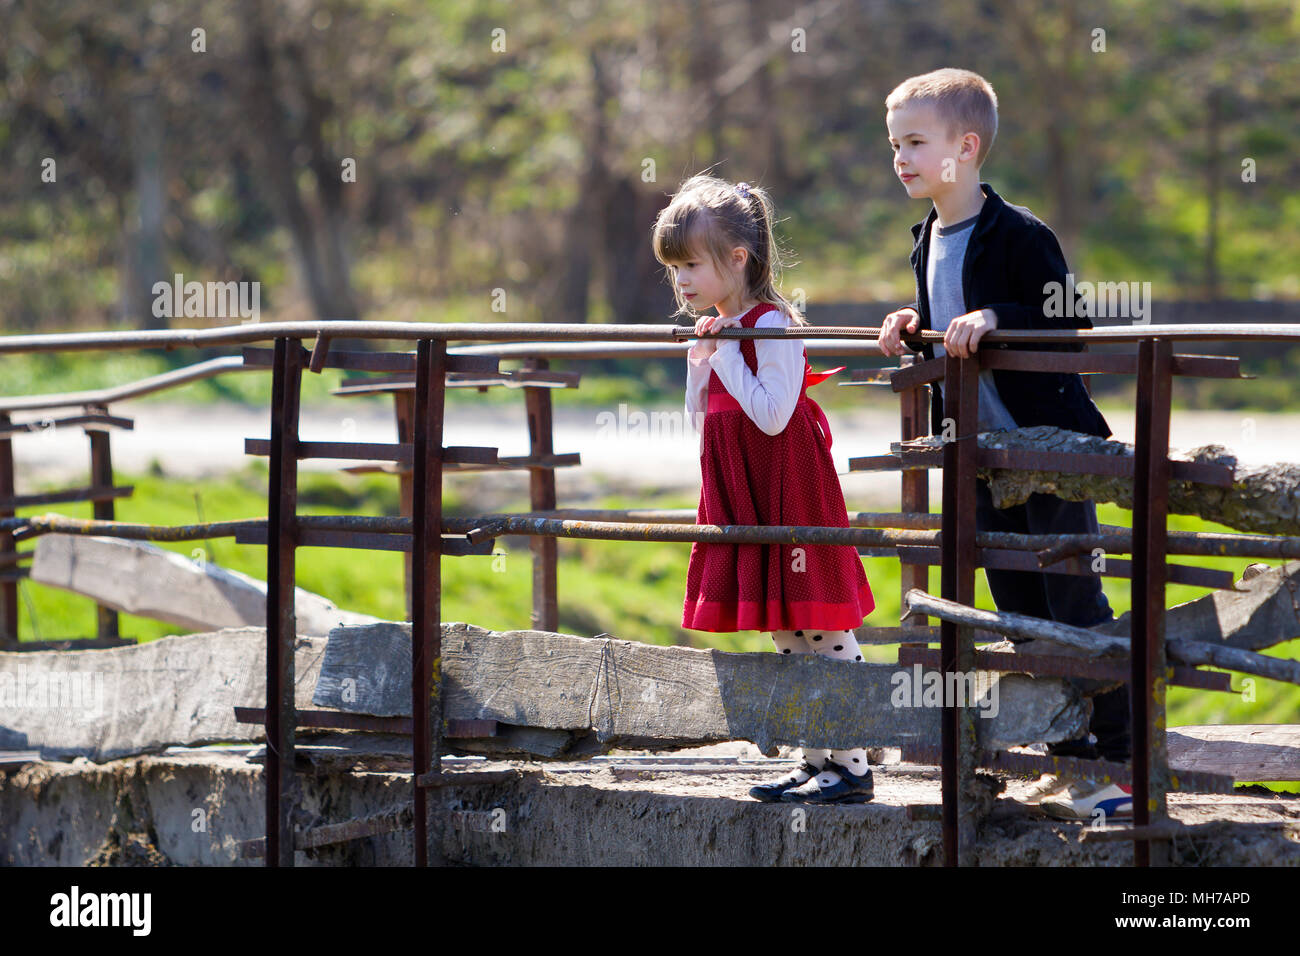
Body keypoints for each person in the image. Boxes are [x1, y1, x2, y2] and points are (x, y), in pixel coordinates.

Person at [878, 68, 1133, 821]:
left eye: (916, 142)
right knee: (1015, 605)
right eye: (894, 144)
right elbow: (941, 324)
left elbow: (1067, 318)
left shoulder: (1019, 233)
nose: (901, 157)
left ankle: (1115, 766)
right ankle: (1070, 762)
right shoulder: (926, 237)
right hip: (983, 458)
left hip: (1048, 452)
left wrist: (998, 316)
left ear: (967, 145)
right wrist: (909, 323)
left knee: (1073, 604)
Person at [652, 173, 878, 805]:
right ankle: (816, 762)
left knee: (821, 622)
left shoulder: (772, 323)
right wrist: (702, 365)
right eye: (675, 270)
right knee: (786, 629)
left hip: (788, 490)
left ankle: (855, 762)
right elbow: (704, 421)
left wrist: (725, 353)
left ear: (738, 258)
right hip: (743, 490)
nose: (683, 282)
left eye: (692, 265)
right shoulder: (722, 331)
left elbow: (775, 414)